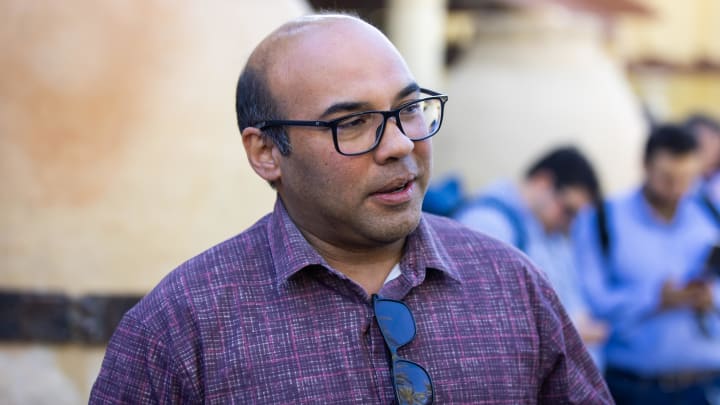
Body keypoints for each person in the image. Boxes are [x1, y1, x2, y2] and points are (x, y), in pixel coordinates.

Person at [89, 13, 612, 404]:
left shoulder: (512, 286)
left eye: (408, 109)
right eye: (353, 123)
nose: (401, 144)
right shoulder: (183, 327)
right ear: (266, 153)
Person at [572, 124, 720, 404]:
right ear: (645, 165)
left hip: (705, 385)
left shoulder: (711, 216)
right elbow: (591, 302)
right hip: (632, 387)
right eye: (667, 177)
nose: (677, 188)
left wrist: (709, 297)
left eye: (686, 178)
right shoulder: (603, 219)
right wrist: (655, 299)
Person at [454, 147, 609, 367]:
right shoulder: (487, 224)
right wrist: (569, 333)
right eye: (569, 210)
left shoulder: (550, 234)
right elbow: (480, 320)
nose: (571, 223)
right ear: (543, 182)